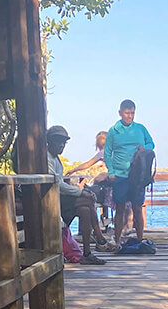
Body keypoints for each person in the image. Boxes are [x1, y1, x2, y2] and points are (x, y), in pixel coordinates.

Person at [46, 125, 111, 264]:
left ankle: (87, 253)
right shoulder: (46, 158)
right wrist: (81, 192)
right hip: (50, 201)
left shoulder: (56, 159)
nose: (61, 145)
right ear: (50, 141)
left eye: (64, 142)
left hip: (58, 198)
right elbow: (58, 184)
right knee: (88, 200)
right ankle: (99, 237)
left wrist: (81, 192)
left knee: (85, 210)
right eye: (58, 141)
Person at [103, 99, 155, 246]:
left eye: (132, 113)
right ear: (120, 113)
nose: (130, 116)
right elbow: (107, 153)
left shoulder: (140, 128)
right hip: (120, 175)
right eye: (127, 113)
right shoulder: (114, 131)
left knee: (137, 208)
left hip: (137, 176)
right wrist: (111, 172)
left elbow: (151, 144)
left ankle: (140, 240)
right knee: (119, 209)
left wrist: (144, 148)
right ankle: (117, 240)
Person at [67, 131, 111, 227]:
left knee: (91, 195)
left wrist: (73, 170)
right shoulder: (114, 152)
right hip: (118, 180)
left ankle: (99, 224)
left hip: (112, 181)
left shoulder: (104, 153)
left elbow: (88, 164)